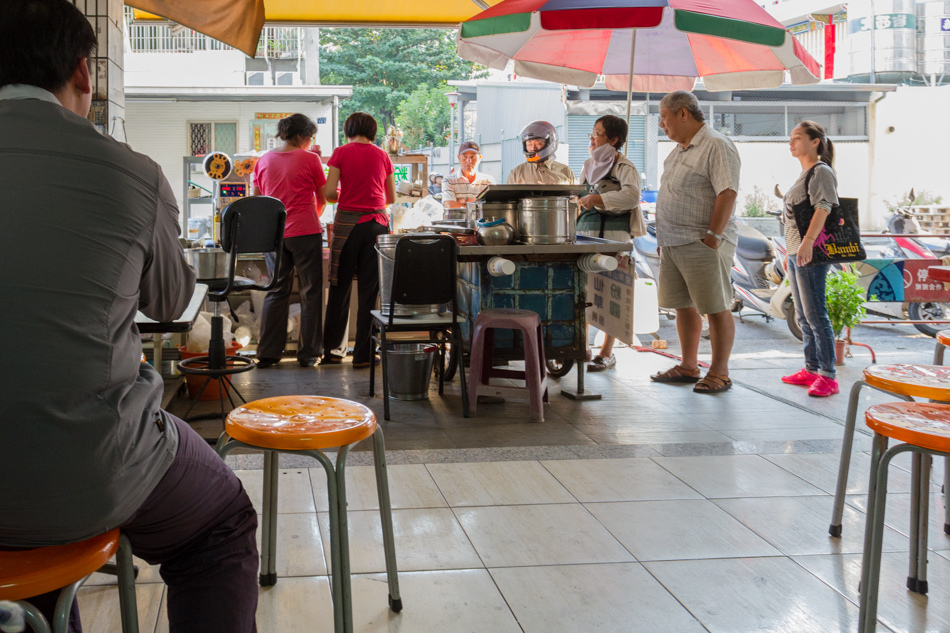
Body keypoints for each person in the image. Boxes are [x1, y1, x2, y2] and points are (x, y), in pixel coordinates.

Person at [0, 2, 259, 632]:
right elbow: (171, 304)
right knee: (221, 525)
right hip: (89, 470)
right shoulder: (133, 174)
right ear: (85, 74)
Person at [650, 90, 741, 394]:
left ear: (683, 113)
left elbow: (727, 192)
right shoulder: (678, 150)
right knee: (682, 306)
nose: (662, 124)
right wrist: (664, 237)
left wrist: (712, 238)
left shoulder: (716, 144)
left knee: (715, 306)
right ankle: (689, 365)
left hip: (702, 240)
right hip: (674, 241)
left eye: (664, 117)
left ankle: (720, 371)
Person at [252, 113, 327, 368]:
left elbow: (257, 201)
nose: (310, 142)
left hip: (275, 236)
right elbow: (323, 196)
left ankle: (268, 354)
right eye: (310, 137)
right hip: (306, 232)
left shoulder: (262, 161)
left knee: (276, 291)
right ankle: (309, 354)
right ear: (300, 137)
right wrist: (312, 217)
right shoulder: (311, 159)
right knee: (311, 292)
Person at [322, 112, 396, 367]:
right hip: (377, 225)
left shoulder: (340, 153)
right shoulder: (382, 155)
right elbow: (392, 198)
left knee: (339, 287)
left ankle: (332, 352)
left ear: (348, 129)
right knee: (369, 292)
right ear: (373, 132)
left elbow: (330, 193)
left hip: (347, 227)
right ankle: (364, 356)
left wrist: (345, 194)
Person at [576, 115, 646, 372]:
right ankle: (581, 346)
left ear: (613, 140)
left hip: (614, 238)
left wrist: (598, 199)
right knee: (583, 292)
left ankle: (606, 353)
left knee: (611, 292)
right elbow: (578, 195)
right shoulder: (588, 165)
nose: (592, 138)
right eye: (592, 134)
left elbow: (631, 196)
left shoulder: (624, 167)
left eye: (597, 133)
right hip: (585, 235)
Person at [780, 121, 840, 397]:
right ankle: (811, 367)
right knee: (804, 315)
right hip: (796, 252)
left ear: (815, 141)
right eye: (791, 138)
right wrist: (789, 252)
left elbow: (824, 207)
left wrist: (806, 244)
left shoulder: (821, 171)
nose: (791, 142)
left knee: (816, 314)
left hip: (811, 252)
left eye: (798, 137)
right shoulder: (804, 173)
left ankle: (828, 375)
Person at [506, 120, 576, 185]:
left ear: (550, 143)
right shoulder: (516, 173)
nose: (532, 148)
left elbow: (576, 198)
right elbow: (507, 198)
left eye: (537, 143)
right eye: (529, 144)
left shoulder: (566, 172)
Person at [442, 141, 496, 208]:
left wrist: (463, 201)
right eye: (464, 156)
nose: (468, 160)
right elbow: (450, 205)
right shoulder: (449, 180)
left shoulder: (488, 181)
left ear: (479, 158)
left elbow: (491, 206)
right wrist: (476, 202)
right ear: (459, 158)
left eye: (472, 156)